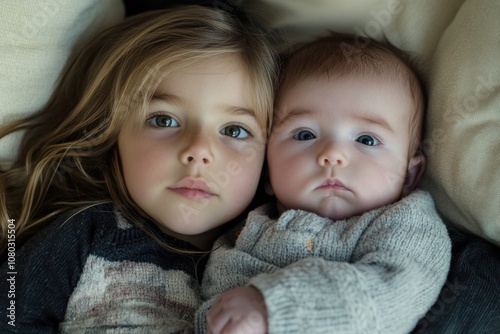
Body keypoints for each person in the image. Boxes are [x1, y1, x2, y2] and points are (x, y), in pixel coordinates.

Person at [0, 5, 278, 332]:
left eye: (234, 130)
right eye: (164, 120)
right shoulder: (84, 234)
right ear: (114, 133)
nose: (199, 151)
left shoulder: (277, 247)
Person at [196, 34, 452, 334]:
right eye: (305, 135)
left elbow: (393, 294)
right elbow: (212, 308)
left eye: (366, 139)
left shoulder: (406, 225)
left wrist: (271, 306)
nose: (332, 155)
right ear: (267, 171)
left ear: (409, 176)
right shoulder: (244, 233)